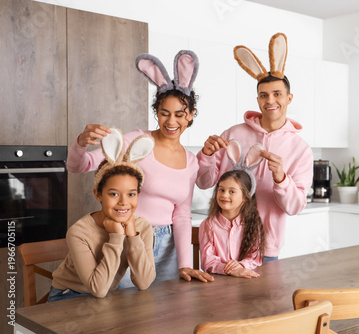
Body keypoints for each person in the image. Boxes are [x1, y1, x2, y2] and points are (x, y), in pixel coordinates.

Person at [66, 52, 213, 284]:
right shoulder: (137, 140)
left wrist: (185, 264)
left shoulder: (191, 161)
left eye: (179, 115)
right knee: (120, 312)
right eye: (164, 114)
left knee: (163, 315)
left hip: (168, 245)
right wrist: (80, 143)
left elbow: (182, 215)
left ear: (190, 116)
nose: (171, 122)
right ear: (157, 113)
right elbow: (79, 166)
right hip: (128, 236)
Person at [197, 33, 313, 262]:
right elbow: (204, 182)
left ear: (289, 98)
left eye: (277, 94)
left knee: (262, 300)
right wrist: (206, 156)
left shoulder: (300, 149)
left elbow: (295, 207)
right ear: (258, 99)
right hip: (222, 245)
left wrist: (281, 178)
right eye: (264, 95)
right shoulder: (233, 135)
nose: (270, 101)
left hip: (265, 247)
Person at [49, 129, 156, 301]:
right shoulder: (79, 232)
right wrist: (116, 236)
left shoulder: (142, 227)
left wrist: (132, 236)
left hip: (107, 293)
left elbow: (144, 283)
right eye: (114, 194)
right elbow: (97, 289)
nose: (123, 202)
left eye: (131, 194)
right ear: (98, 194)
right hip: (69, 294)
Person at [200, 140, 266, 278]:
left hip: (244, 281)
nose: (224, 195)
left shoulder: (253, 224)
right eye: (221, 190)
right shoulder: (209, 225)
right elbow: (207, 261)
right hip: (216, 285)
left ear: (245, 197)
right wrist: (230, 269)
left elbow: (255, 258)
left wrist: (241, 266)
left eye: (232, 191)